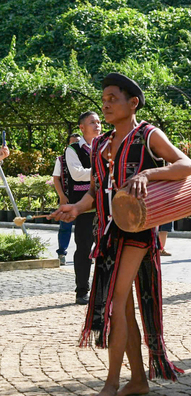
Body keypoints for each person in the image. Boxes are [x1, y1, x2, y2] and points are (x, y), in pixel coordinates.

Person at [52, 72, 191, 396]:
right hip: (107, 232)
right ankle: (139, 381)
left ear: (133, 103)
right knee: (124, 307)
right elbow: (95, 191)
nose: (106, 105)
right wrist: (75, 208)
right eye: (103, 100)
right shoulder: (101, 144)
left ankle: (112, 382)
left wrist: (148, 172)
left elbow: (186, 166)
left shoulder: (149, 135)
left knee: (116, 300)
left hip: (140, 231)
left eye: (112, 99)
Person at [62, 113, 103, 304]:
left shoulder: (107, 145)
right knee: (84, 248)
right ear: (81, 128)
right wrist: (103, 171)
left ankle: (104, 289)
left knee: (107, 248)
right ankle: (82, 290)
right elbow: (77, 175)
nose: (97, 125)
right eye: (92, 122)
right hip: (85, 208)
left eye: (99, 122)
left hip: (107, 207)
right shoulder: (72, 150)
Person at [53, 133, 81, 266]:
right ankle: (61, 253)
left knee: (87, 227)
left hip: (83, 199)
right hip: (68, 198)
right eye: (73, 142)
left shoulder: (86, 156)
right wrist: (62, 196)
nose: (76, 145)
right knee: (65, 227)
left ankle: (88, 253)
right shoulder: (61, 159)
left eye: (78, 142)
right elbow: (56, 178)